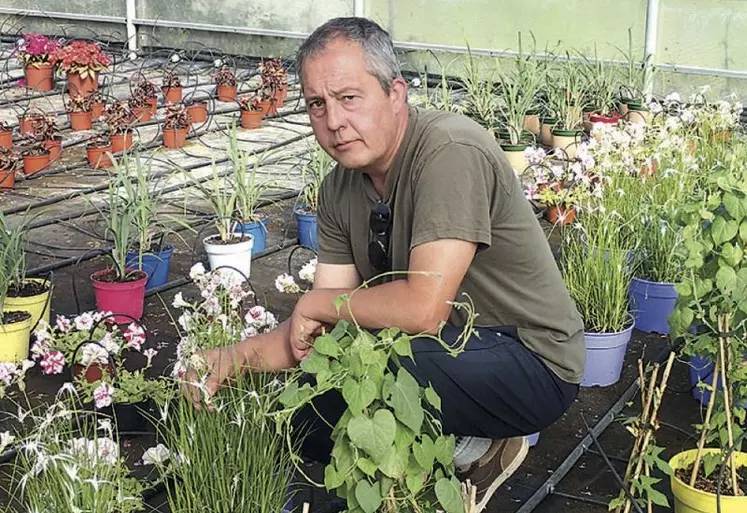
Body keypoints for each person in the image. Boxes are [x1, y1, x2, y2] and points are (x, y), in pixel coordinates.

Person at [182, 16, 585, 508]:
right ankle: (455, 449)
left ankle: (477, 442)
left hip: (531, 360)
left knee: (362, 386)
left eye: (349, 98)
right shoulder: (338, 189)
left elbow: (420, 309)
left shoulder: (449, 151)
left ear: (396, 93)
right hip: (442, 352)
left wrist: (319, 305)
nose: (333, 121)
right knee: (303, 416)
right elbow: (322, 331)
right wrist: (230, 359)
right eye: (316, 104)